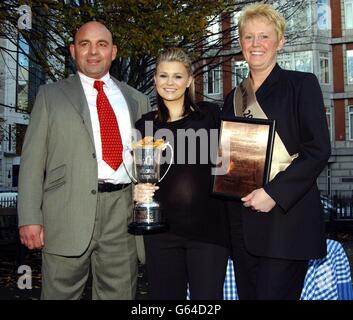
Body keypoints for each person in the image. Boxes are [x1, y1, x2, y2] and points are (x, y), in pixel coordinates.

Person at [17, 21, 150, 300]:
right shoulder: (49, 96)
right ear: (73, 50)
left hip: (122, 214)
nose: (93, 52)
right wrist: (29, 217)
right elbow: (31, 161)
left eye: (101, 44)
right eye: (84, 44)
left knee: (120, 294)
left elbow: (147, 159)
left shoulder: (137, 100)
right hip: (66, 214)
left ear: (113, 52)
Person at [221, 3, 331, 300]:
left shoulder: (301, 85)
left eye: (264, 36)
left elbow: (318, 151)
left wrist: (273, 193)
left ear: (280, 42)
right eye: (248, 37)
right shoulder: (234, 97)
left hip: (286, 223)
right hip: (242, 226)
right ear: (240, 43)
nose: (256, 44)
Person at [133, 48, 230, 300]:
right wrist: (137, 189)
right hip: (161, 232)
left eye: (177, 76)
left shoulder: (211, 116)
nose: (170, 83)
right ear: (154, 79)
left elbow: (231, 162)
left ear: (189, 81)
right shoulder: (144, 126)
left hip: (209, 231)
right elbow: (138, 175)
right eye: (163, 76)